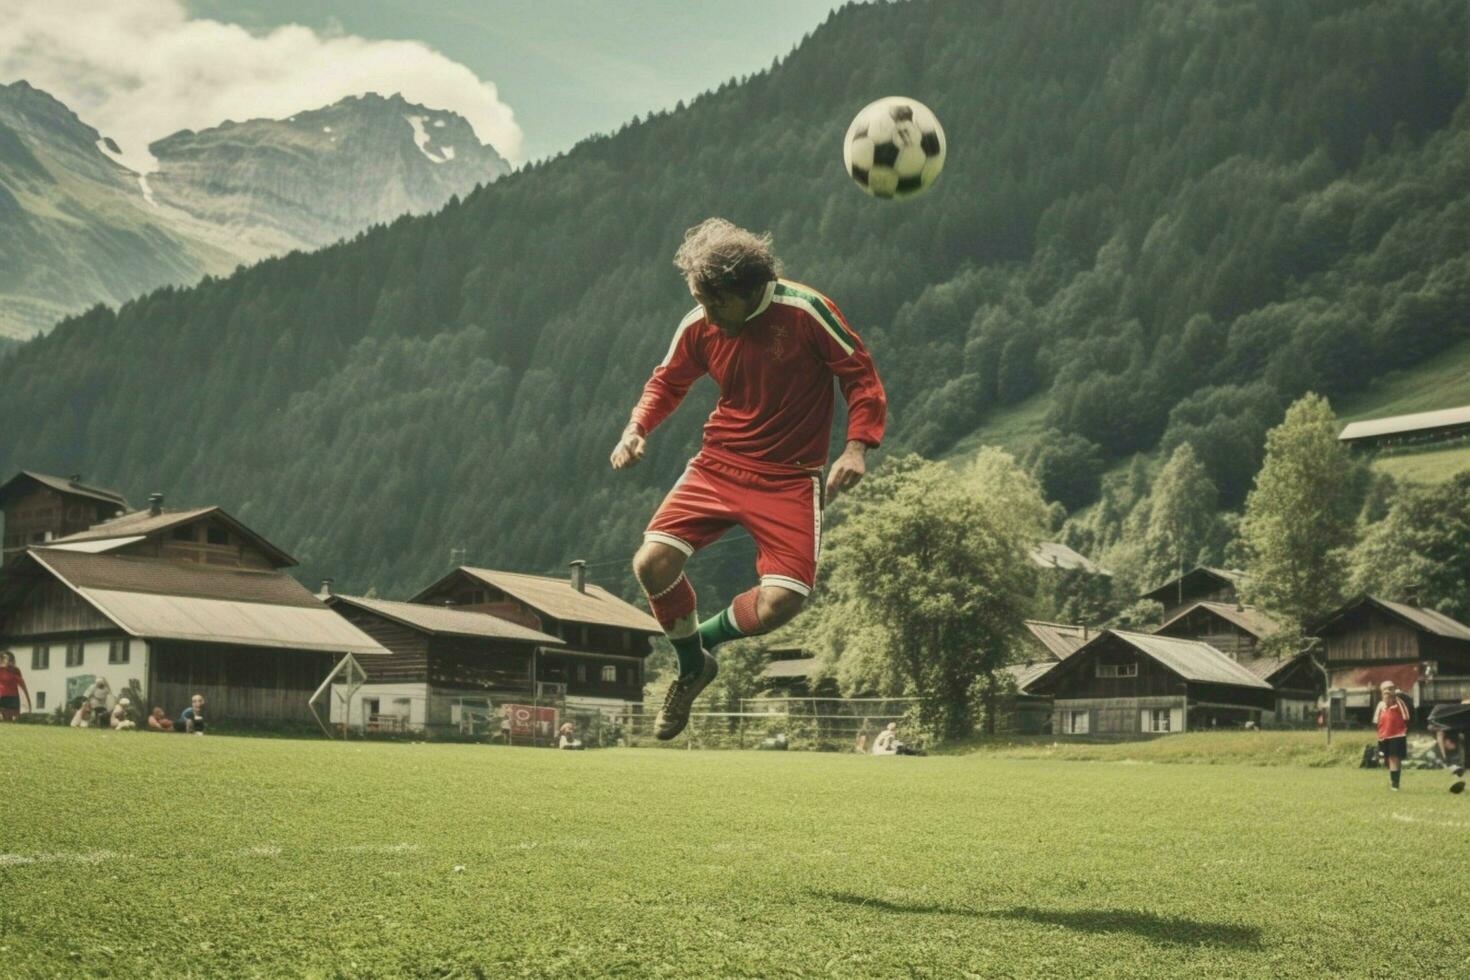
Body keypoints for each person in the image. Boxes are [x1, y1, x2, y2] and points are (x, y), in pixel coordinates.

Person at [612, 218, 887, 740]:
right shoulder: (700, 323)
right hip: (719, 464)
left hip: (789, 479)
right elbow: (667, 380)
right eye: (702, 303)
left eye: (718, 305)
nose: (709, 316)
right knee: (652, 563)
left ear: (751, 291)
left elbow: (861, 376)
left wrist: (857, 446)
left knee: (785, 601)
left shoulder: (806, 312)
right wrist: (635, 428)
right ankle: (691, 666)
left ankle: (701, 647)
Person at [1373, 680, 1412, 791]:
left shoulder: (1399, 702)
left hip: (1397, 735)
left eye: (1390, 689)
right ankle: (1393, 780)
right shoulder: (1380, 705)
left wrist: (1403, 730)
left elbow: (1406, 717)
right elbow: (1376, 720)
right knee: (1388, 759)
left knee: (1394, 758)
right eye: (1385, 690)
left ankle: (1395, 784)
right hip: (1384, 736)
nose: (1388, 692)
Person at [1427, 698, 1470, 795]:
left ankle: (1459, 783)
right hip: (1447, 749)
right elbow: (1439, 735)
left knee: (1461, 768)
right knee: (1456, 768)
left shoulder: (1460, 724)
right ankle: (1456, 783)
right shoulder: (1444, 725)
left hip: (1455, 747)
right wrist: (1444, 755)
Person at [0, 650, 31, 721]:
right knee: (7, 718)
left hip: (11, 699)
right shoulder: (4, 671)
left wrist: (29, 705)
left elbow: (23, 687)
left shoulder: (15, 672)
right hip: (7, 698)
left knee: (8, 719)